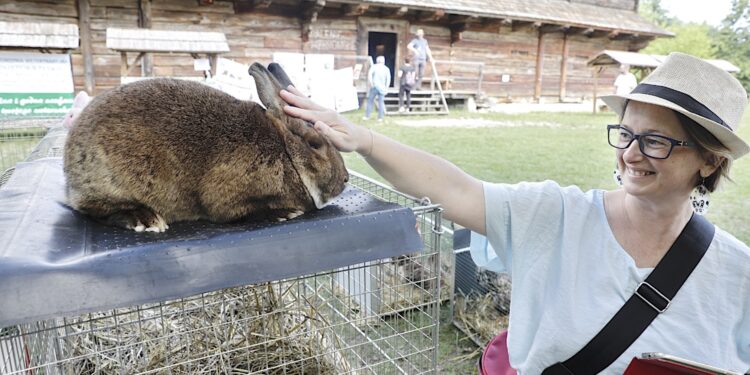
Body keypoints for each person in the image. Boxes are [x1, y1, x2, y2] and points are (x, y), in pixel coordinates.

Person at [280, 52, 750, 373]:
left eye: (656, 141)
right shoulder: (556, 215)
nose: (630, 154)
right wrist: (363, 139)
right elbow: (455, 188)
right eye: (625, 133)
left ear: (709, 160)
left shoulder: (737, 274)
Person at [363, 55, 391, 121]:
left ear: (377, 61)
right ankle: (380, 117)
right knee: (381, 102)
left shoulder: (374, 67)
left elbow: (369, 75)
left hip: (374, 86)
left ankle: (367, 116)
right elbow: (388, 79)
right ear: (383, 61)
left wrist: (371, 83)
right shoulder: (386, 68)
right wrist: (386, 87)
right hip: (382, 88)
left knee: (370, 101)